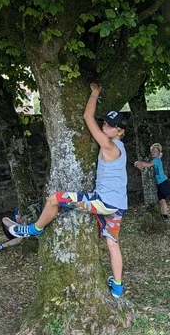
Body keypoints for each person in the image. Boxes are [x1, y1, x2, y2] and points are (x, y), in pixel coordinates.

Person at [9, 82, 129, 298]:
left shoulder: (109, 145)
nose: (105, 127)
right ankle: (118, 288)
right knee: (113, 244)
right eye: (106, 123)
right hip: (118, 205)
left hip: (103, 203)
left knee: (54, 199)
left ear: (120, 131)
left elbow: (87, 119)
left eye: (110, 126)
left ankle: (34, 229)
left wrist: (93, 94)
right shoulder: (121, 148)